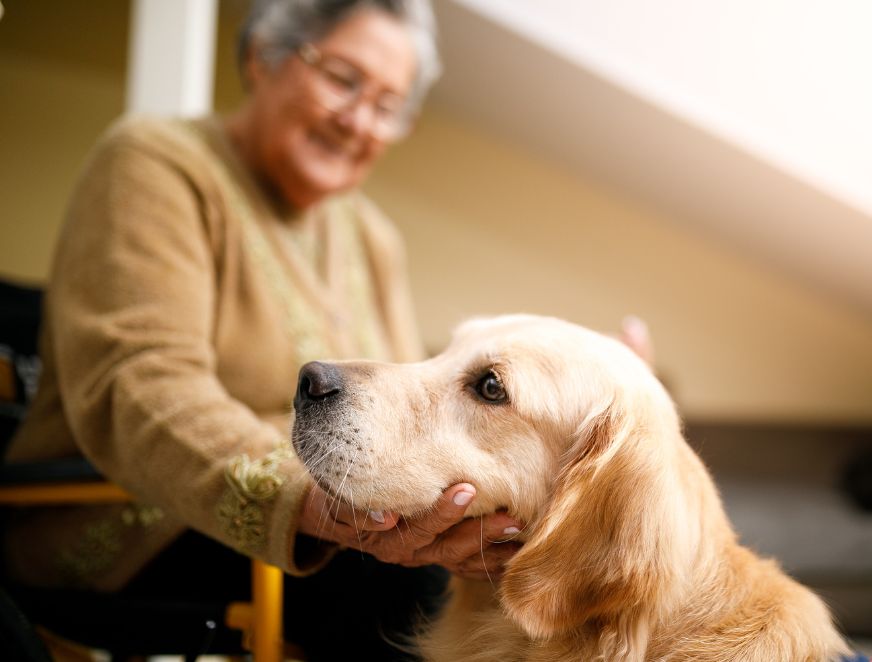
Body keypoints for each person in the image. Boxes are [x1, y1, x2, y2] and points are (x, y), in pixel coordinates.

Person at [2, 0, 522, 658]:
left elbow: (412, 405)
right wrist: (313, 501)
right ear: (263, 57)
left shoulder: (372, 237)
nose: (358, 120)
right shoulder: (155, 163)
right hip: (134, 525)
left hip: (339, 527)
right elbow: (139, 388)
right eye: (342, 79)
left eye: (387, 105)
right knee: (410, 593)